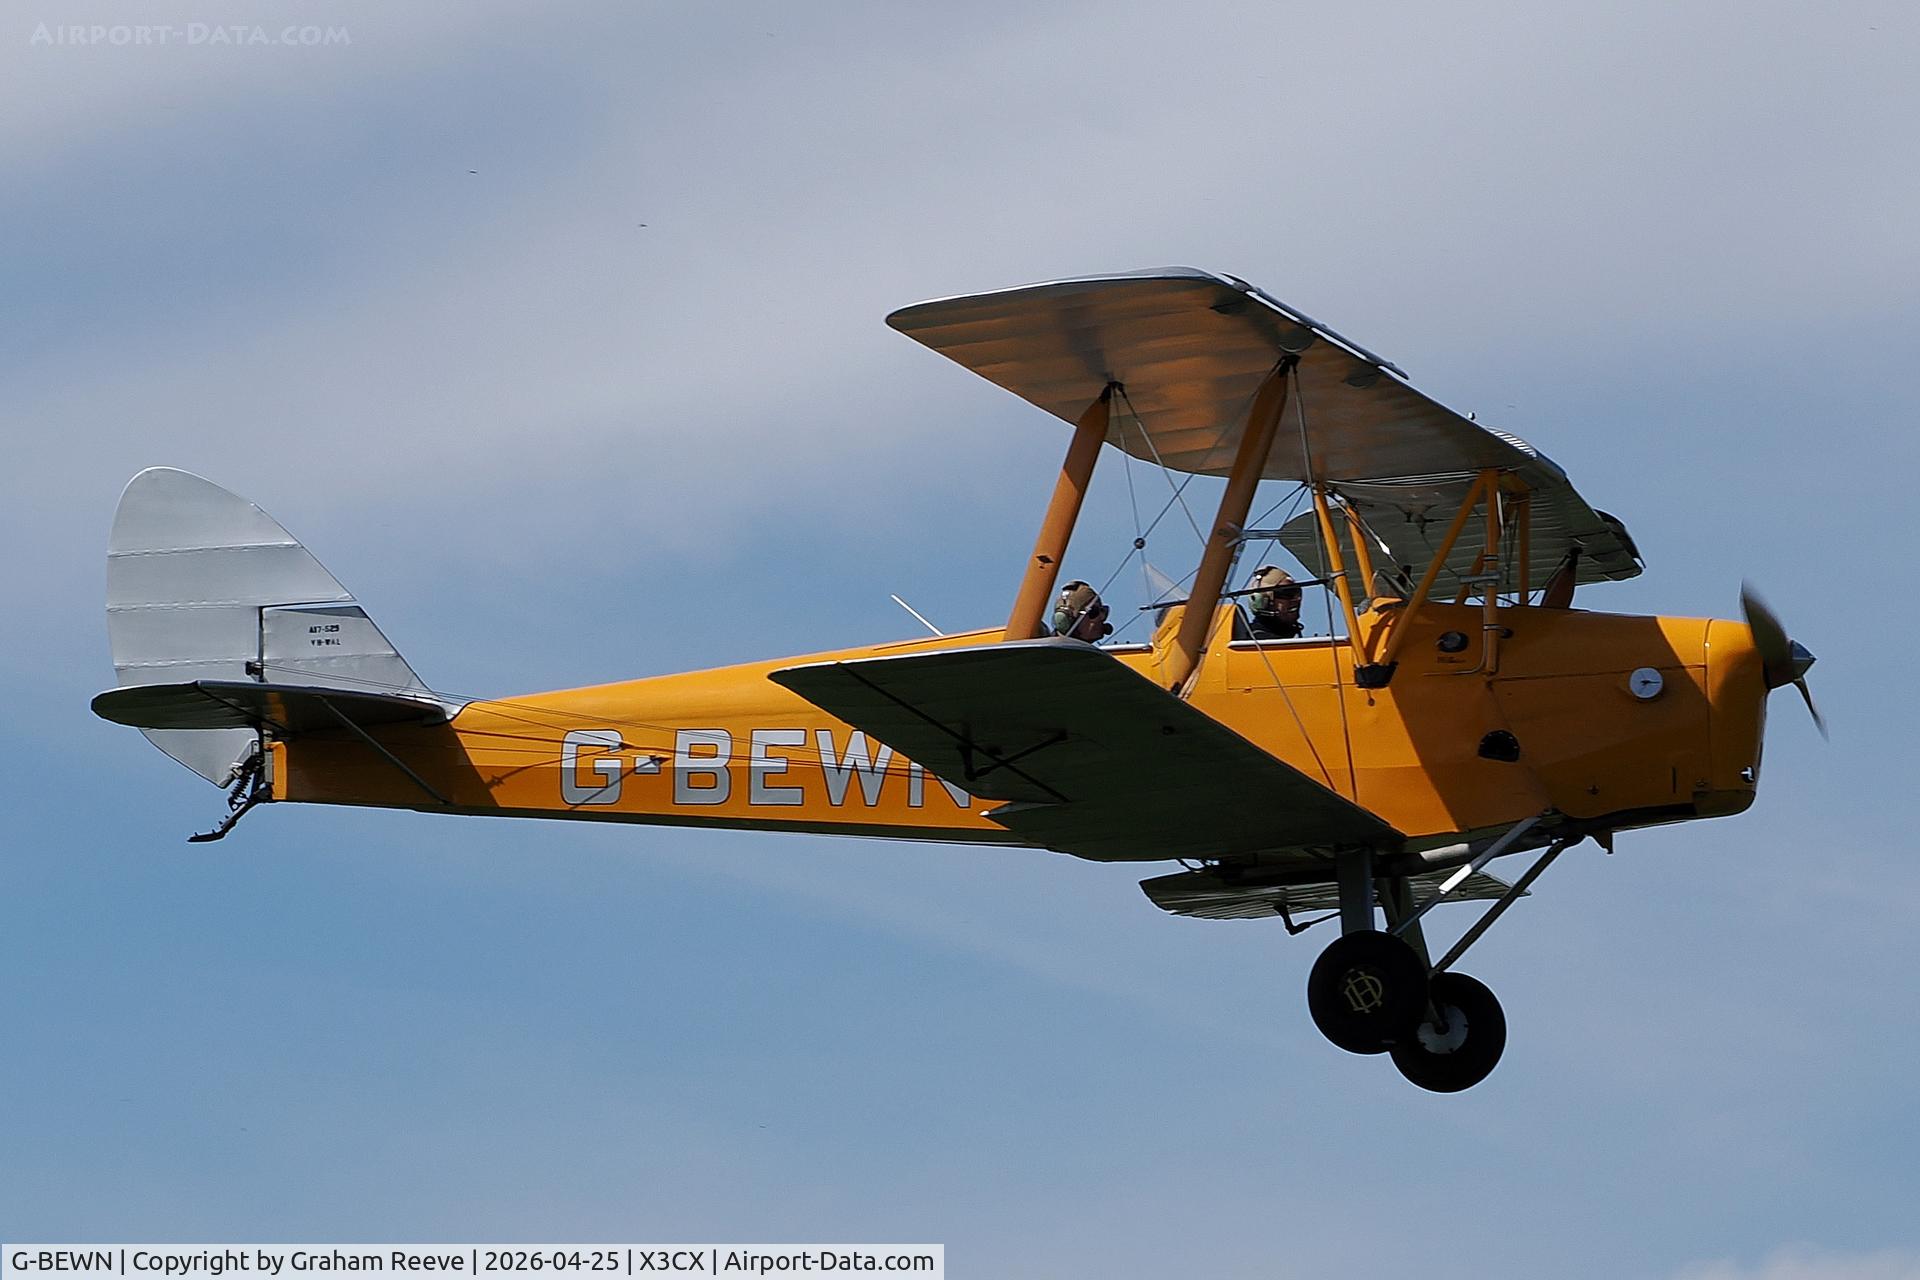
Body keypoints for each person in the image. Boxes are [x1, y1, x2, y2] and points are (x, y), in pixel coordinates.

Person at [1245, 565, 1303, 640]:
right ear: (1262, 601)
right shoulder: (1255, 644)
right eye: (1287, 593)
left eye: (1297, 591)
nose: (1297, 599)